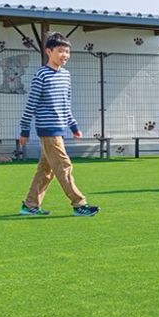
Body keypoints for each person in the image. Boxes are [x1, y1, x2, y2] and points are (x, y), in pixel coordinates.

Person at [17, 33, 99, 217]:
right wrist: (24, 130)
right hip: (48, 130)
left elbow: (66, 103)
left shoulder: (66, 75)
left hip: (59, 129)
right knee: (64, 165)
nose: (65, 55)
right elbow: (31, 104)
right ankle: (79, 204)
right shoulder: (41, 75)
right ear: (49, 52)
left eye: (67, 51)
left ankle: (30, 205)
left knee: (46, 170)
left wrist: (73, 126)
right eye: (61, 51)